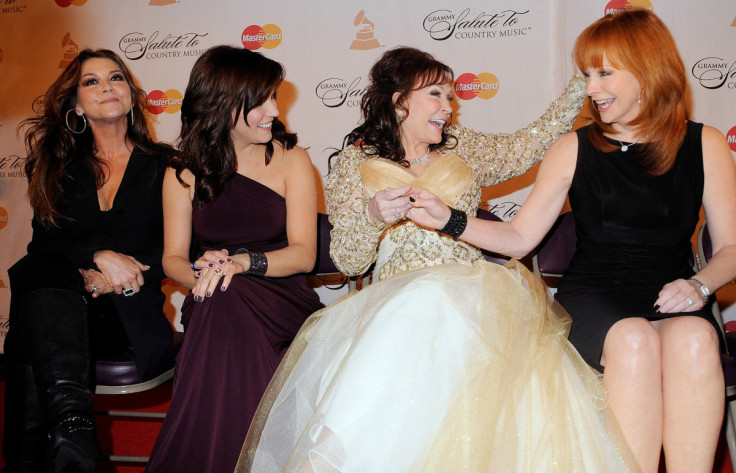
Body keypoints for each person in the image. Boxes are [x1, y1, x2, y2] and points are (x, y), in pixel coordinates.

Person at [235, 46, 638, 472]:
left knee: (429, 296)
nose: (448, 107)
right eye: (436, 95)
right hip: (392, 299)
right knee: (416, 304)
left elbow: (532, 142)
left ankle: (329, 454)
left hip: (474, 291)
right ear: (399, 100)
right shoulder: (354, 161)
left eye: (451, 97)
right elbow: (349, 261)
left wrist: (584, 83)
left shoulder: (465, 148)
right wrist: (373, 217)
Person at [407, 9, 736, 473]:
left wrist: (700, 286)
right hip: (596, 297)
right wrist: (449, 220)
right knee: (634, 339)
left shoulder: (706, 144)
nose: (590, 88)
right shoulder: (574, 147)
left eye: (604, 73)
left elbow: (731, 249)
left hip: (675, 291)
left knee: (697, 340)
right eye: (586, 74)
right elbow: (520, 237)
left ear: (648, 70)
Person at [144, 45, 323, 473]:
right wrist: (204, 276)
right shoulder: (182, 171)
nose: (273, 111)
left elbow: (304, 254)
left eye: (274, 98)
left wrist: (243, 264)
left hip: (281, 296)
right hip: (214, 295)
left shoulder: (291, 160)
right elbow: (171, 259)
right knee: (223, 299)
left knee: (227, 296)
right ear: (223, 104)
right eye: (260, 100)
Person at [4, 49, 175, 473]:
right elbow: (43, 247)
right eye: (91, 81)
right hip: (65, 308)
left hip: (127, 314)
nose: (106, 87)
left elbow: (182, 249)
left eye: (115, 77)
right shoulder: (57, 167)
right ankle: (73, 425)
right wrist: (96, 256)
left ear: (132, 96)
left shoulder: (167, 165)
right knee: (39, 275)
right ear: (77, 105)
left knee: (34, 324)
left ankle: (51, 445)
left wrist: (117, 274)